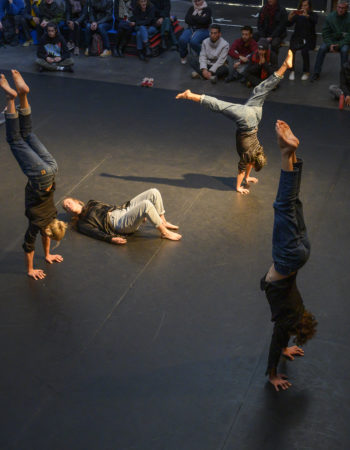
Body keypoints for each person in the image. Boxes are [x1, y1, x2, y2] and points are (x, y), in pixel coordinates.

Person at [176, 50, 293, 194]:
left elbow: (248, 166)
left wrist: (248, 178)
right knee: (220, 105)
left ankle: (285, 66)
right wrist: (239, 187)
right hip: (247, 120)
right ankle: (190, 95)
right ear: (254, 161)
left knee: (262, 89)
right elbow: (241, 170)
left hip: (256, 116)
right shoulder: (249, 156)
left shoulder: (257, 151)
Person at [261, 120, 317, 392]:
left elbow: (285, 334)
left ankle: (293, 155)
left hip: (302, 254)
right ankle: (286, 153)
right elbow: (277, 339)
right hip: (287, 259)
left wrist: (287, 346)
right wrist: (273, 374)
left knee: (294, 201)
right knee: (283, 204)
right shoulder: (287, 320)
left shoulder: (299, 308)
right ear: (295, 327)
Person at [0, 70, 67, 280]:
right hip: (40, 176)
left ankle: (23, 94)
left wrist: (48, 254)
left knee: (28, 134)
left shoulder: (54, 218)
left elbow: (46, 236)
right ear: (48, 232)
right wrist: (30, 269)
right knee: (15, 140)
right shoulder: (39, 224)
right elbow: (29, 245)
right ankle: (11, 98)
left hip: (52, 169)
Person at [62, 188, 182, 242]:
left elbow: (110, 207)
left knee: (153, 192)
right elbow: (95, 233)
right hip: (118, 224)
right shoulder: (81, 223)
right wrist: (111, 239)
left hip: (122, 211)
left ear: (76, 201)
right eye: (66, 208)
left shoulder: (92, 202)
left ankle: (163, 221)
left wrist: (135, 213)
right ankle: (164, 232)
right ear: (68, 212)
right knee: (146, 204)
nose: (68, 206)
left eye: (68, 203)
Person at [311, 0, 350, 82]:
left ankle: (345, 75)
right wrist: (330, 44)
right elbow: (325, 33)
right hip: (331, 41)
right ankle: (316, 72)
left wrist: (339, 44)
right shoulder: (330, 17)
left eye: (343, 8)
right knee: (322, 49)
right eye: (339, 7)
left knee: (345, 50)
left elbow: (349, 37)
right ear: (337, 7)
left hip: (343, 43)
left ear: (347, 8)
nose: (340, 10)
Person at [287, 0, 318, 81]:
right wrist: (289, 18)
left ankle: (306, 71)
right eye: (302, 5)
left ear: (309, 6)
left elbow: (315, 21)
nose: (303, 7)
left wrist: (307, 16)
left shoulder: (313, 14)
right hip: (298, 38)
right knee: (291, 50)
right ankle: (292, 70)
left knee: (304, 51)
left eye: (305, 5)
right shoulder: (298, 15)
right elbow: (288, 24)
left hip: (309, 39)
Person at [178, 0, 212, 65]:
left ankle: (202, 56)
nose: (196, 3)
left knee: (193, 42)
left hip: (203, 30)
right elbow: (186, 20)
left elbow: (204, 21)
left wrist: (193, 17)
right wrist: (199, 18)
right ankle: (183, 55)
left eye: (198, 1)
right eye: (195, 1)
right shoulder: (191, 8)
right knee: (182, 39)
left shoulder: (207, 9)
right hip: (191, 28)